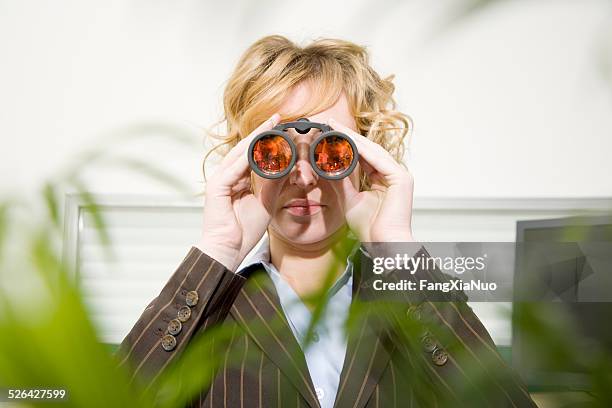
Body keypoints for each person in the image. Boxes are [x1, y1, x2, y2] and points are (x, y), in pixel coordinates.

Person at [116, 35, 536, 408]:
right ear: (246, 159)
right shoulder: (208, 310)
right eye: (276, 153)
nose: (304, 175)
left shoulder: (411, 303)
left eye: (331, 150)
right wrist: (218, 248)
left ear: (365, 158)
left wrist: (397, 250)